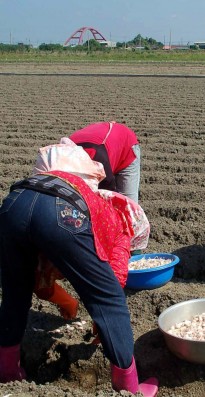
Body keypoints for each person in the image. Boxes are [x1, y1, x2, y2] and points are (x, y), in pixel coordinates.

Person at [0, 147, 158, 395]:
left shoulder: (95, 201)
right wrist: (103, 323)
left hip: (15, 202)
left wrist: (67, 301)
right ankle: (130, 388)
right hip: (61, 209)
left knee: (14, 293)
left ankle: (8, 371)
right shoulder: (121, 224)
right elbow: (109, 289)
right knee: (112, 301)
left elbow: (38, 282)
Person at [70, 121, 141, 203]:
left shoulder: (98, 158)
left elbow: (107, 190)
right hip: (100, 138)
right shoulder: (59, 157)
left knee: (127, 204)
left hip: (126, 144)